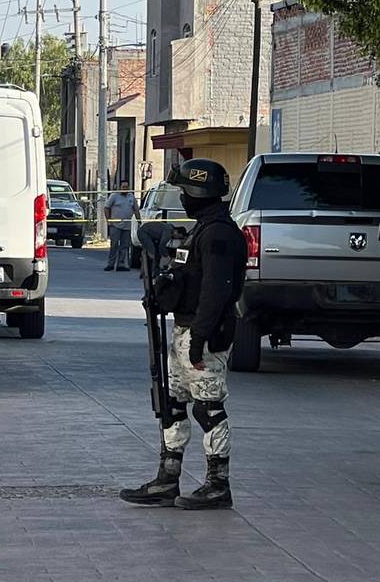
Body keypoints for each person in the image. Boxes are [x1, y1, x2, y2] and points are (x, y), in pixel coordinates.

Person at [120, 158, 246, 510]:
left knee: (209, 409)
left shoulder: (219, 234)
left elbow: (217, 292)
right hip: (185, 329)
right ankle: (167, 478)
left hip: (203, 335)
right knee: (172, 406)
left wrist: (200, 340)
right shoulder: (201, 229)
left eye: (184, 191)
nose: (182, 198)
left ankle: (218, 483)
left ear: (197, 191)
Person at [104, 181, 136, 272]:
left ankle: (121, 264)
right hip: (115, 225)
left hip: (127, 226)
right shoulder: (114, 196)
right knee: (114, 244)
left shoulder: (131, 197)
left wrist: (139, 221)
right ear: (120, 187)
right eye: (123, 187)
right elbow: (106, 208)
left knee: (125, 245)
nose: (125, 188)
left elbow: (136, 209)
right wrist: (108, 220)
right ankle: (111, 264)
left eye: (126, 187)